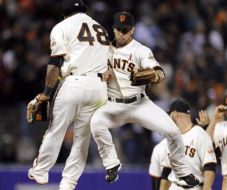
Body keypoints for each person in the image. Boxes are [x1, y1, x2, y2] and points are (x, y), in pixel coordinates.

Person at [90, 11, 199, 186]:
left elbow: (159, 73)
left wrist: (152, 76)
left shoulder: (141, 50)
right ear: (113, 29)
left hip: (140, 104)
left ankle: (182, 171)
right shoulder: (104, 51)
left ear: (132, 30)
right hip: (113, 105)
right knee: (96, 123)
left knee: (172, 132)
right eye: (118, 29)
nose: (121, 33)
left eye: (125, 30)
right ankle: (112, 164)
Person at [28, 1, 109, 189]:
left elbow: (54, 64)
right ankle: (69, 183)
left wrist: (46, 94)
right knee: (83, 138)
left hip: (75, 82)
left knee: (56, 129)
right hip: (99, 88)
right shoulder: (101, 28)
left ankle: (40, 171)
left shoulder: (62, 26)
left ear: (64, 13)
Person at [158, 99, 217, 190]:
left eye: (170, 114)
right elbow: (166, 170)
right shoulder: (172, 137)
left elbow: (210, 166)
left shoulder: (200, 134)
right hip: (174, 186)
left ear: (175, 113)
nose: (169, 117)